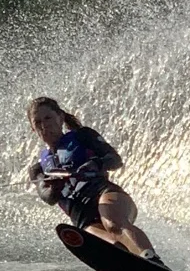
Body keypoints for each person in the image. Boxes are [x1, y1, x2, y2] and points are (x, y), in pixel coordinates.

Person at [25, 96, 159, 259]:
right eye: (38, 123)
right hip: (82, 215)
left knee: (113, 224)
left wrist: (95, 164)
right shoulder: (37, 169)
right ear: (33, 128)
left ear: (60, 117)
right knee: (110, 245)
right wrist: (55, 186)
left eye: (48, 118)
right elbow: (48, 198)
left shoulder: (83, 136)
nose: (44, 126)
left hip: (104, 194)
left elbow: (115, 160)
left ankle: (150, 258)